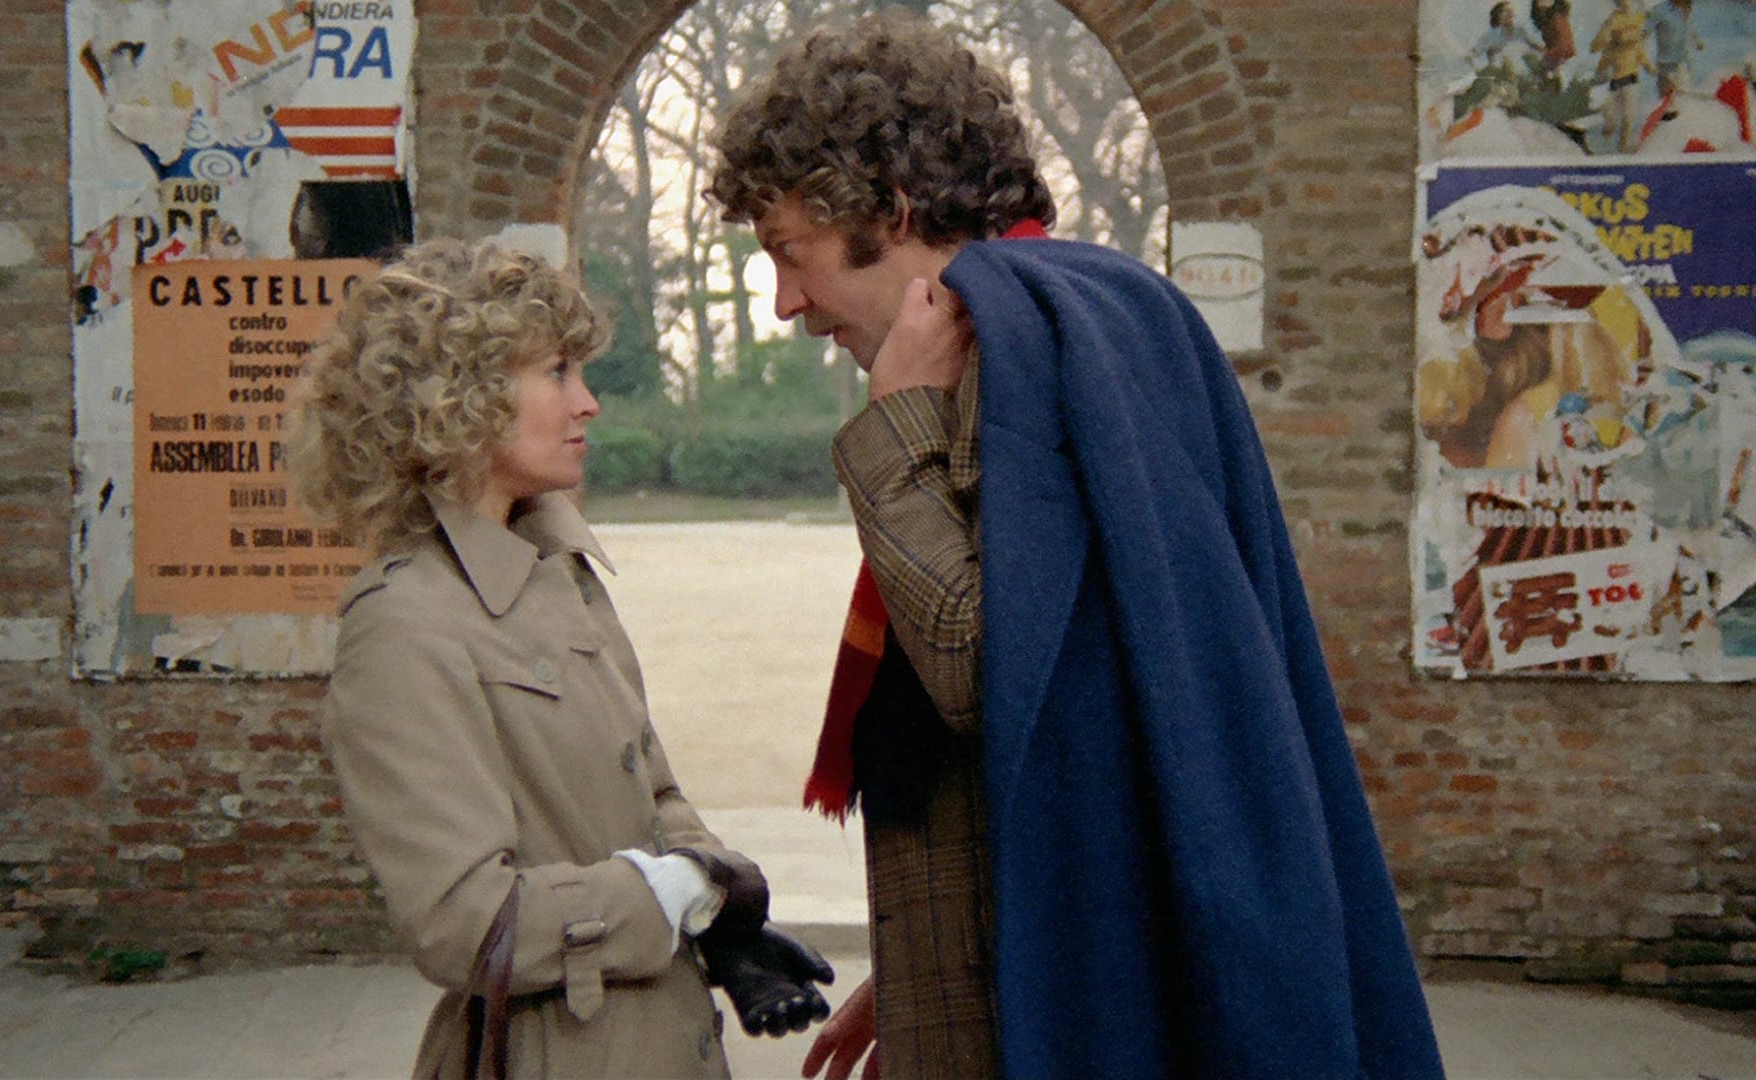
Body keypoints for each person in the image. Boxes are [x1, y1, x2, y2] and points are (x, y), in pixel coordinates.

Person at [707, 14, 1447, 1080]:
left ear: (887, 208)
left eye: (790, 252)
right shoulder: (1108, 309)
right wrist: (932, 971)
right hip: (1054, 953)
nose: (785, 301)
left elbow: (993, 673)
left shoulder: (1017, 348)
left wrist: (897, 431)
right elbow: (1096, 747)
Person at [286, 239, 832, 1078]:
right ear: (461, 394)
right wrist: (669, 897)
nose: (588, 403)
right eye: (557, 372)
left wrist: (722, 916)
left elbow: (654, 794)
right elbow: (462, 923)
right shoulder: (403, 621)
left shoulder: (558, 569)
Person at [1591, 0, 1650, 149]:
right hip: (1615, 82)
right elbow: (1597, 50)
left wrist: (1649, 67)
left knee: (1628, 118)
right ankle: (1610, 133)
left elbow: (1641, 52)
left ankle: (1623, 145)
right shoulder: (1613, 23)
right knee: (1610, 117)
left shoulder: (1639, 18)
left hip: (1631, 80)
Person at [1645, 0, 1703, 102]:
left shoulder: (1687, 7)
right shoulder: (1659, 9)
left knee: (1683, 99)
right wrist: (1644, 58)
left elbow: (1689, 27)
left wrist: (1697, 41)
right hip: (1666, 65)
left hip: (1685, 63)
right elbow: (1645, 32)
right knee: (1667, 100)